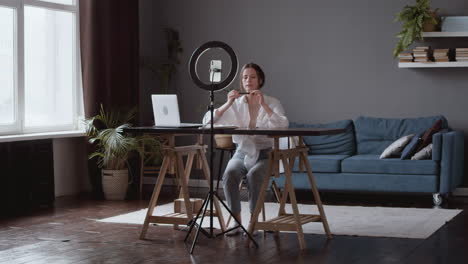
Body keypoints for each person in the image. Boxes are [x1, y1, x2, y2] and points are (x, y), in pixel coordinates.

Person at [203, 63, 289, 236]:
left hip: (266, 154)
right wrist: (228, 103)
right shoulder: (236, 103)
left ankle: (254, 221)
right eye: (244, 77)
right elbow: (207, 122)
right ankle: (236, 221)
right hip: (241, 152)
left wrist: (263, 104)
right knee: (229, 174)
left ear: (260, 80)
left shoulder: (272, 102)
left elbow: (283, 125)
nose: (248, 80)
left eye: (252, 77)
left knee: (254, 175)